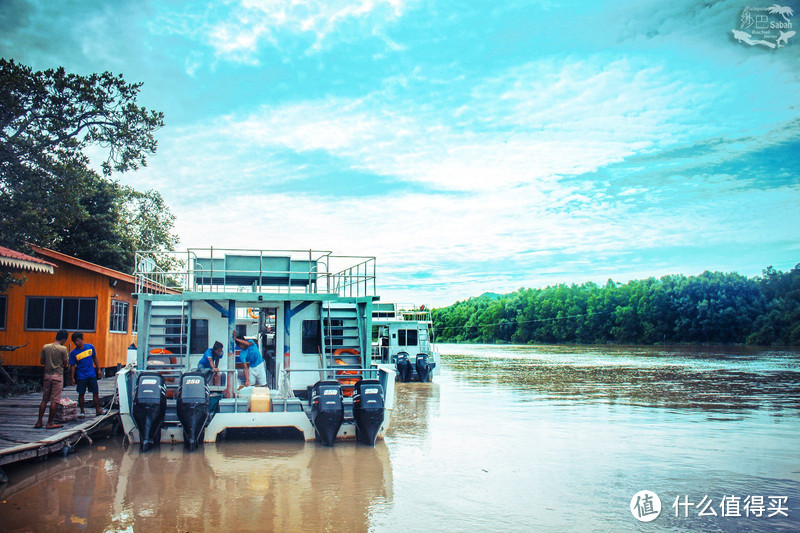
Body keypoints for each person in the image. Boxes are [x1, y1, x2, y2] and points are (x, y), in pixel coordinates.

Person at [35, 329, 70, 429]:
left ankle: (39, 422)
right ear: (64, 339)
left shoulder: (45, 347)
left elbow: (42, 361)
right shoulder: (63, 349)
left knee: (44, 400)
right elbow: (65, 364)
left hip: (47, 375)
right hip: (57, 376)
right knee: (54, 400)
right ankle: (50, 423)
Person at [69, 332, 103, 417]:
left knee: (95, 392)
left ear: (81, 339)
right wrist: (72, 377)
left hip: (91, 374)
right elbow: (72, 366)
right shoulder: (73, 353)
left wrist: (98, 369)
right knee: (81, 394)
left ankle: (98, 409)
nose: (76, 343)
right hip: (81, 376)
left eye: (77, 340)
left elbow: (95, 358)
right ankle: (82, 411)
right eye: (75, 342)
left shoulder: (90, 347)